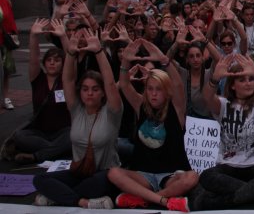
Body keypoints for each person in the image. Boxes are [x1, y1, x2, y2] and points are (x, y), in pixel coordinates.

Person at [33, 29, 122, 209]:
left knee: (96, 183)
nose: (89, 93)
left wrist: (98, 52)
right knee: (40, 179)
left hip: (104, 174)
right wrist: (71, 53)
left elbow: (110, 82)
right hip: (79, 172)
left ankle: (57, 197)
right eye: (85, 89)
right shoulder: (76, 110)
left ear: (102, 92)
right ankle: (82, 202)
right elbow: (68, 80)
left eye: (95, 89)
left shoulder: (112, 111)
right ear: (80, 92)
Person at [108, 38, 196, 212]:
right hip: (143, 175)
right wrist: (125, 61)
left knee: (191, 178)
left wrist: (164, 60)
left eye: (159, 89)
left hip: (170, 175)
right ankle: (163, 200)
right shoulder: (141, 105)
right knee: (113, 173)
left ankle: (143, 199)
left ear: (166, 91)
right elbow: (124, 84)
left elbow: (178, 84)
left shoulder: (176, 108)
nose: (154, 94)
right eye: (150, 89)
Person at [196, 54, 254, 209]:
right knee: (207, 176)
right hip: (228, 167)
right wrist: (214, 79)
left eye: (251, 79)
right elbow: (207, 97)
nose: (248, 83)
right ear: (232, 85)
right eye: (242, 80)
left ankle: (227, 201)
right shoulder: (223, 105)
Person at [12, 19, 70, 164]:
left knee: (74, 135)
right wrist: (33, 36)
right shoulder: (38, 79)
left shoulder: (66, 80)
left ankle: (38, 156)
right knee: (19, 136)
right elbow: (33, 59)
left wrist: (63, 36)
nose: (51, 63)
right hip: (40, 133)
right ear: (44, 63)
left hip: (63, 131)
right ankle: (55, 151)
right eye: (49, 60)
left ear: (63, 65)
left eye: (56, 60)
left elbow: (72, 59)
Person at [0, 0, 18, 110]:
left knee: (6, 70)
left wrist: (13, 34)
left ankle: (5, 97)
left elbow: (10, 18)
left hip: (4, 41)